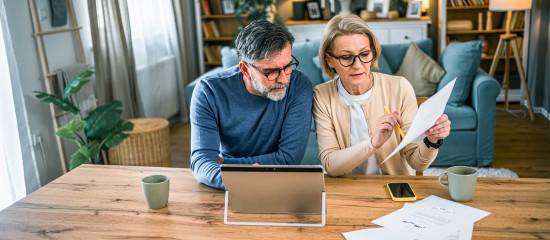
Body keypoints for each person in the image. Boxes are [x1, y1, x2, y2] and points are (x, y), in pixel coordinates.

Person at [313, 14, 451, 176]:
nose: (358, 65)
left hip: (394, 187)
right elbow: (331, 165)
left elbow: (417, 163)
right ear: (329, 60)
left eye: (364, 54)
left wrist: (432, 140)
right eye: (346, 57)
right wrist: (373, 143)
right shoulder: (321, 96)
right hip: (348, 189)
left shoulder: (400, 87)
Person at [190, 20, 313, 189]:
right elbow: (202, 163)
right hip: (227, 189)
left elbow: (288, 159)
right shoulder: (209, 92)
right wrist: (244, 178)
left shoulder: (299, 86)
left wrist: (227, 164)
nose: (284, 79)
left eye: (288, 66)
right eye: (271, 72)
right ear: (245, 69)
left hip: (279, 182)